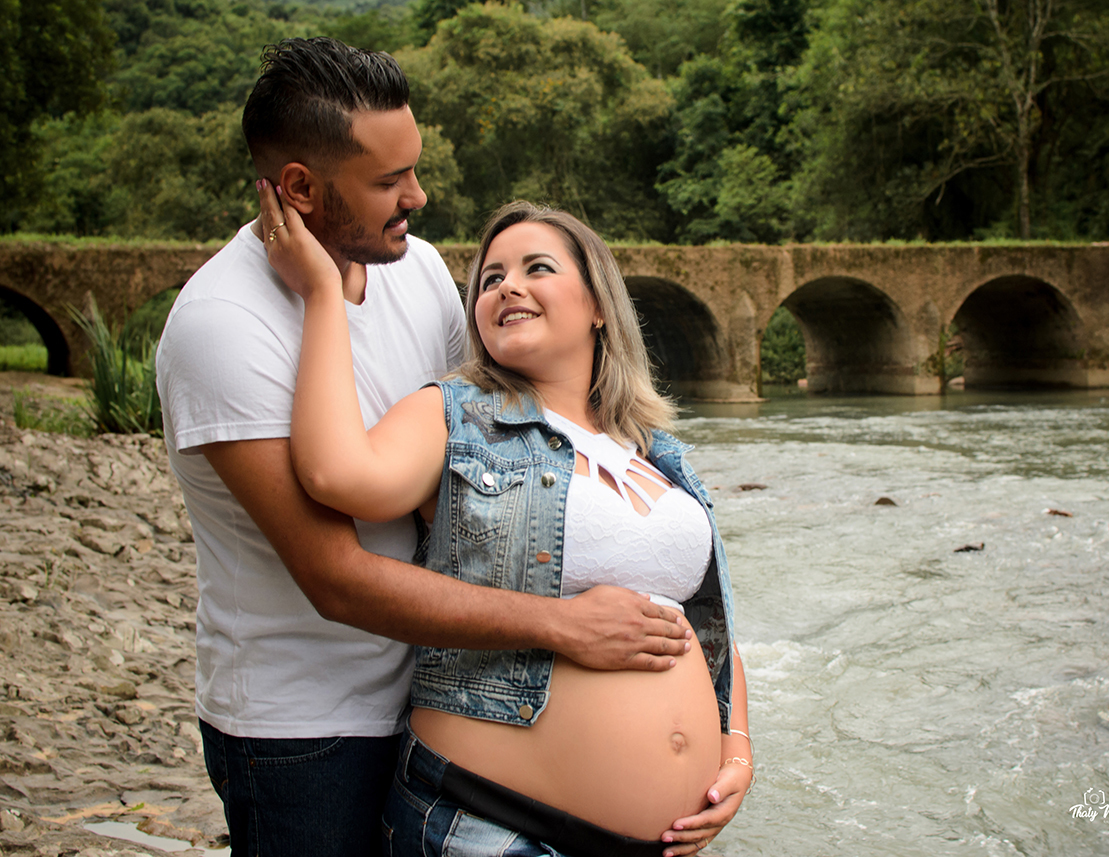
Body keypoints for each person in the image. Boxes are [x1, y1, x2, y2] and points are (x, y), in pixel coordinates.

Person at [155, 38, 692, 857]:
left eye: (415, 166)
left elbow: (489, 459)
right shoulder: (223, 326)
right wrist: (564, 626)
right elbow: (336, 576)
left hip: (448, 699)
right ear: (300, 187)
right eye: (387, 181)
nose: (419, 193)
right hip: (306, 726)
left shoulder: (420, 272)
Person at [259, 191, 754, 857]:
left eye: (536, 268)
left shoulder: (656, 454)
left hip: (664, 840)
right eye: (491, 279)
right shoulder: (459, 414)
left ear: (601, 306)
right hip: (494, 824)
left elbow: (701, 621)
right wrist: (323, 296)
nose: (507, 286)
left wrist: (735, 747)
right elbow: (335, 473)